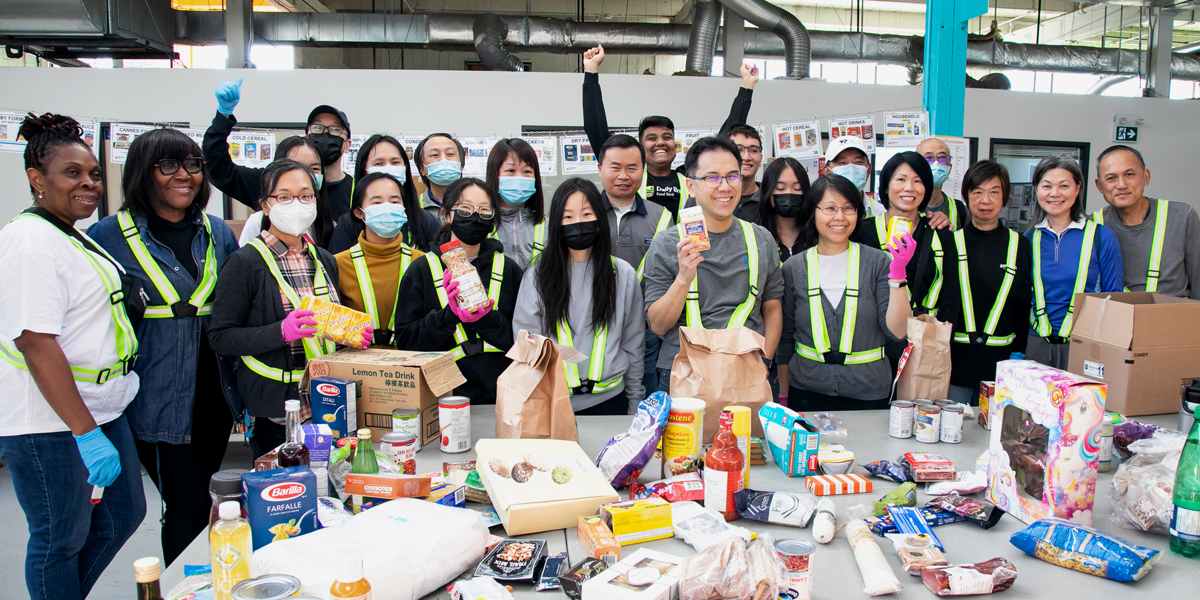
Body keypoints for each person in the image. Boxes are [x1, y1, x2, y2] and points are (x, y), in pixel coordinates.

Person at [0, 113, 146, 600]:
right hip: (50, 419)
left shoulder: (69, 232)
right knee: (59, 538)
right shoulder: (30, 241)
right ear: (36, 179)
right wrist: (85, 434)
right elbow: (35, 341)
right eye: (72, 173)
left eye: (94, 174)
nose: (89, 183)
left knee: (123, 514)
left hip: (101, 407)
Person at [86, 128, 241, 565]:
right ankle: (183, 587)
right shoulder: (108, 236)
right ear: (142, 172)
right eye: (168, 165)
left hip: (215, 392)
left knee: (206, 500)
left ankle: (204, 581)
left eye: (192, 165)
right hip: (155, 395)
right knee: (186, 506)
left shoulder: (216, 231)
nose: (184, 175)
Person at [209, 159, 372, 458]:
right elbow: (221, 336)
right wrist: (280, 332)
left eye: (306, 196)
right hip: (277, 409)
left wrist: (350, 337)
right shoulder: (245, 263)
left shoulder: (324, 259)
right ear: (265, 205)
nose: (297, 204)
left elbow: (323, 325)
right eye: (284, 197)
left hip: (327, 401)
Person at [643, 137, 784, 391]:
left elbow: (772, 307)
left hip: (747, 371)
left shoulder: (761, 239)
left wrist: (765, 361)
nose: (724, 187)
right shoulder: (667, 243)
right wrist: (683, 278)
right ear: (691, 186)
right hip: (684, 373)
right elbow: (658, 325)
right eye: (712, 178)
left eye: (732, 176)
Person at [776, 175, 915, 411]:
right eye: (830, 208)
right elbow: (786, 337)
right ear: (812, 212)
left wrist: (898, 274)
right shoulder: (793, 267)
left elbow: (898, 331)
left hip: (869, 392)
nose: (840, 217)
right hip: (806, 391)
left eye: (848, 208)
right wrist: (784, 396)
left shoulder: (878, 262)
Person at [512, 178, 646, 414]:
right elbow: (526, 345)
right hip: (554, 403)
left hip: (611, 401)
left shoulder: (623, 274)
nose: (578, 223)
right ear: (556, 223)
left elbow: (634, 343)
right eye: (568, 217)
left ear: (600, 218)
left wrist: (635, 402)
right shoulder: (537, 276)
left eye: (586, 214)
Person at [582, 44, 759, 219]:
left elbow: (724, 139)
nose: (660, 142)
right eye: (652, 138)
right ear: (640, 148)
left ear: (674, 145)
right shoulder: (633, 177)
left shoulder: (688, 176)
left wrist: (747, 85)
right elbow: (595, 127)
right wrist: (591, 71)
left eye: (667, 137)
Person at [392, 178, 522, 404]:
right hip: (442, 397)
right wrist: (448, 316)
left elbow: (524, 341)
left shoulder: (509, 269)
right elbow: (407, 343)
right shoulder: (421, 269)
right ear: (446, 215)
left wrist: (487, 318)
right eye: (465, 209)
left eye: (484, 211)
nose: (475, 217)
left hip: (503, 396)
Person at [203, 78, 356, 221]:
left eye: (335, 129)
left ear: (347, 144)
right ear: (307, 137)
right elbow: (219, 170)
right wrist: (223, 117)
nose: (325, 134)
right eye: (318, 127)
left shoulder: (356, 192)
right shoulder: (270, 182)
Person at [1024, 155, 1124, 370]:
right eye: (1047, 186)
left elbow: (1114, 298)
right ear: (1037, 189)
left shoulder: (1102, 237)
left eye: (1064, 186)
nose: (1054, 193)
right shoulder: (1028, 239)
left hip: (1084, 346)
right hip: (1035, 345)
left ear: (1077, 188)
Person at [595, 134, 672, 406]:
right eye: (615, 167)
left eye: (632, 168)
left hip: (645, 329)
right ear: (600, 168)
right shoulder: (585, 213)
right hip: (593, 325)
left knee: (644, 395)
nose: (623, 176)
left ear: (643, 170)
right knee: (600, 398)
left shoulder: (662, 217)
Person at [947, 161, 1032, 405]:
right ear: (966, 196)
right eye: (977, 192)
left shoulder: (1019, 244)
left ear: (1004, 197)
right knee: (955, 424)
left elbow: (1023, 302)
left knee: (994, 426)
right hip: (956, 362)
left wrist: (1019, 352)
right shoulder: (950, 242)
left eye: (994, 192)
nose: (985, 200)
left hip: (1002, 364)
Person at [1091, 144, 1200, 299]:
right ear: (1099, 186)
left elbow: (1198, 282)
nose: (1121, 185)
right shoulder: (1092, 226)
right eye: (1111, 178)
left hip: (1173, 312)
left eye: (1129, 174)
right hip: (1116, 312)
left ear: (1146, 177)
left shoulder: (1182, 216)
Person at [334, 172, 427, 348]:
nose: (387, 208)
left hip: (411, 361)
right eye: (377, 202)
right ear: (359, 212)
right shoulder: (338, 264)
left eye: (394, 202)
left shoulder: (423, 262)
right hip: (356, 361)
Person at [327, 134, 439, 255]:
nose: (388, 169)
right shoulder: (349, 223)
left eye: (395, 162)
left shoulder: (426, 221)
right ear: (364, 169)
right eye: (379, 163)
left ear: (405, 168)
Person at [237, 136, 335, 248]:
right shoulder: (257, 222)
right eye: (295, 167)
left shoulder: (327, 224)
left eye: (314, 169)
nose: (306, 174)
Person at [485, 138, 548, 271]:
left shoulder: (548, 226)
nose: (519, 177)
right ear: (494, 174)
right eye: (510, 170)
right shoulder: (480, 224)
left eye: (527, 171)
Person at [751, 157, 814, 263]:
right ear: (768, 192)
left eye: (797, 188)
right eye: (780, 188)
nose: (789, 193)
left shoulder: (817, 235)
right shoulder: (755, 236)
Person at [820, 136, 885, 217]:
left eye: (858, 162)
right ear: (826, 171)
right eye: (842, 163)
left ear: (868, 170)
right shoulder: (815, 212)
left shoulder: (882, 214)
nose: (851, 169)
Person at [412, 133, 466, 224]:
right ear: (422, 169)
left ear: (461, 165)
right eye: (435, 155)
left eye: (450, 154)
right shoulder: (413, 208)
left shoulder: (478, 205)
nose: (444, 160)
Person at [916, 137, 968, 229]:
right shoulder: (905, 205)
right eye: (928, 159)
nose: (936, 163)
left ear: (949, 168)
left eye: (942, 159)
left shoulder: (960, 210)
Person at [727, 122, 766, 221]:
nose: (746, 157)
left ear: (761, 159)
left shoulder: (769, 200)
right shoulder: (710, 198)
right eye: (739, 150)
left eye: (753, 150)